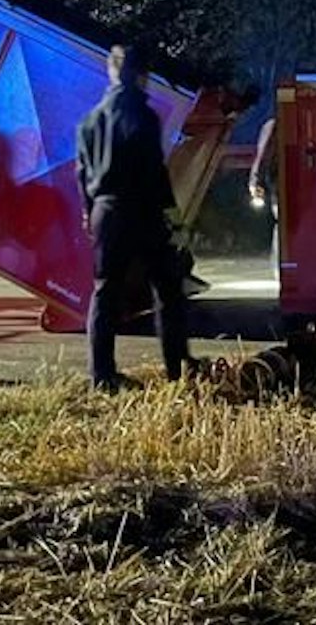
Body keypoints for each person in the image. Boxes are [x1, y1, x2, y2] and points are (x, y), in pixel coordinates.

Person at [78, 44, 192, 390]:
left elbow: (81, 173)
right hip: (142, 212)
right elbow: (154, 172)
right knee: (167, 289)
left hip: (105, 212)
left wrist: (89, 213)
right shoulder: (144, 116)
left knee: (105, 292)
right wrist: (174, 218)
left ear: (111, 72)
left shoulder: (91, 119)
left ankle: (102, 375)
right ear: (143, 77)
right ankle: (177, 367)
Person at [247, 115, 280, 279]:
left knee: (281, 225)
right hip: (278, 183)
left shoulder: (271, 125)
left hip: (277, 183)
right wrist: (255, 179)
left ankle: (281, 270)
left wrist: (254, 179)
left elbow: (260, 155)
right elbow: (261, 155)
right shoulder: (272, 125)